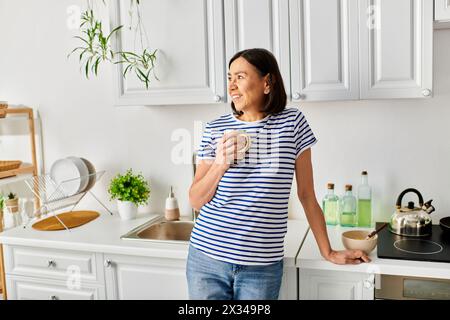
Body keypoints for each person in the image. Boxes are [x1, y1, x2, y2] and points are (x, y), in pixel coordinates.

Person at [187, 48, 370, 300]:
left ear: (267, 82)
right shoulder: (215, 128)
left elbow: (306, 195)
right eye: (229, 77)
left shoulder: (292, 123)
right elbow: (196, 200)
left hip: (261, 266)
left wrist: (328, 251)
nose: (231, 86)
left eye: (239, 77)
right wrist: (220, 164)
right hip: (207, 259)